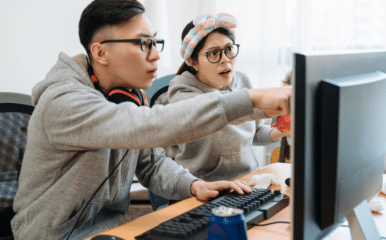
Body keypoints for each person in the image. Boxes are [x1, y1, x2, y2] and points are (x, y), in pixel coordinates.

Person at [11, 1, 292, 239]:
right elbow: (151, 126)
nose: (156, 54)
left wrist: (195, 185)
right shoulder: (64, 102)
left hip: (111, 229)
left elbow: (151, 164)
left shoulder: (127, 96)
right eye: (144, 43)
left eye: (155, 42)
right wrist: (251, 99)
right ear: (100, 52)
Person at [166, 13, 288, 182]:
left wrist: (280, 131)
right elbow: (218, 108)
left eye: (229, 49)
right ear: (193, 61)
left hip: (246, 181)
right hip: (201, 187)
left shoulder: (243, 80)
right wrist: (260, 101)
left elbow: (256, 134)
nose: (225, 60)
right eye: (213, 53)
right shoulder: (181, 91)